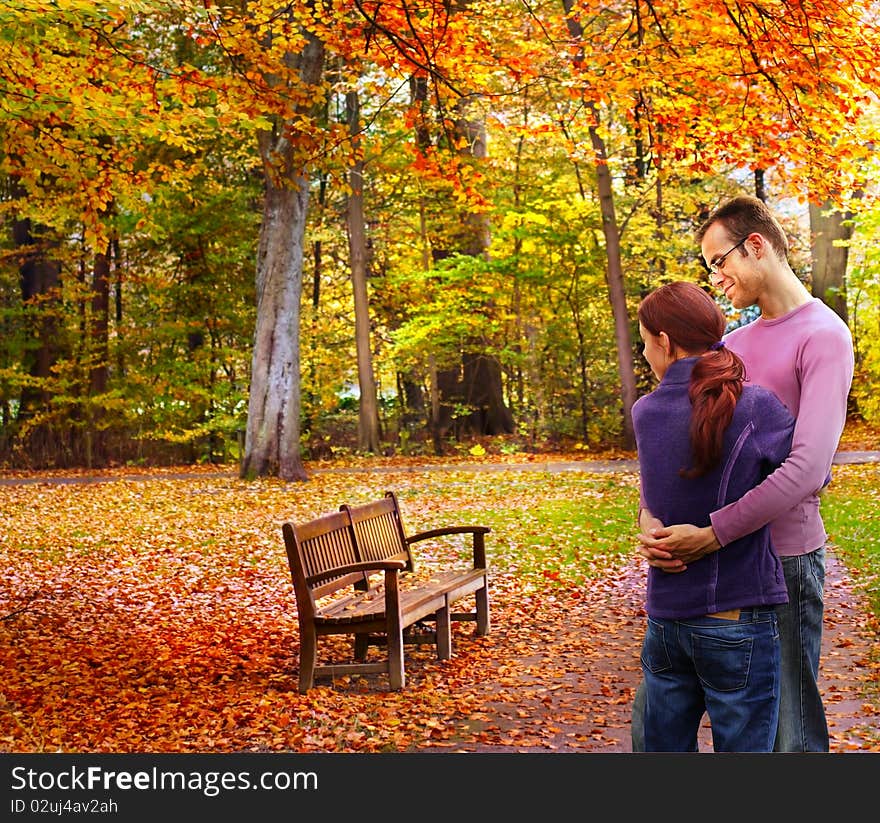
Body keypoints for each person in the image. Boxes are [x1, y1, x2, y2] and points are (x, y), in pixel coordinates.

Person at [632, 195, 855, 752]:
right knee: (659, 725)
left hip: (781, 560)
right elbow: (676, 443)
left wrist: (712, 533)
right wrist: (652, 521)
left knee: (787, 732)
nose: (716, 278)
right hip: (706, 574)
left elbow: (808, 468)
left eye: (718, 261)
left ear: (755, 246)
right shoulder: (730, 345)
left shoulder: (824, 336)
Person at [633, 281, 794, 751]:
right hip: (737, 614)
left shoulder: (646, 411)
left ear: (664, 340)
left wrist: (650, 527)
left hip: (665, 619)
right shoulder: (756, 406)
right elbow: (809, 477)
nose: (645, 353)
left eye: (644, 341)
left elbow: (655, 498)